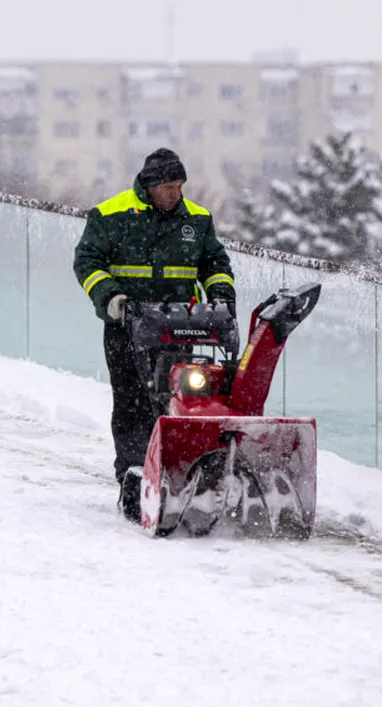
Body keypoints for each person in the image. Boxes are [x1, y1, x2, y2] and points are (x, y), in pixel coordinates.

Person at [73, 147, 236, 523]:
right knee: (132, 402)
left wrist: (222, 294)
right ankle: (133, 478)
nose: (175, 194)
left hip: (182, 327)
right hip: (127, 329)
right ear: (148, 185)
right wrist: (112, 298)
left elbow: (215, 263)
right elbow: (87, 261)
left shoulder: (197, 220)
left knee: (184, 399)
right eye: (167, 187)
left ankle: (190, 476)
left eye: (179, 186)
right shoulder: (110, 216)